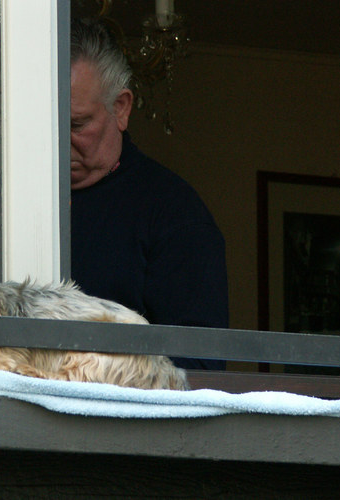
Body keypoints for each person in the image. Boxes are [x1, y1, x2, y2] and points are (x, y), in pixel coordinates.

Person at [70, 19, 229, 370]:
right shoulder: (10, 194)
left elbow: (197, 368)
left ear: (121, 108)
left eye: (76, 125)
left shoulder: (175, 213)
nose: (55, 140)